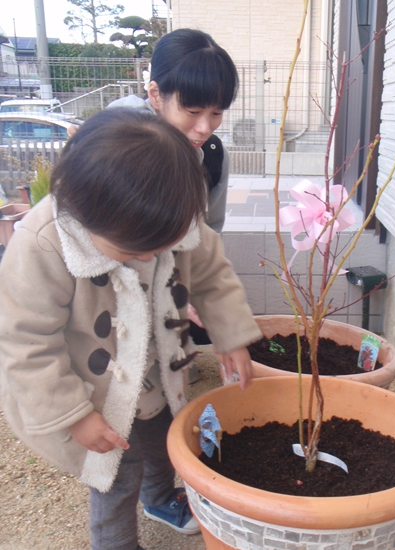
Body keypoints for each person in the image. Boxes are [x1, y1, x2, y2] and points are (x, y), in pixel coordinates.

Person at [0, 108, 262, 550]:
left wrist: (230, 333)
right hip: (95, 393)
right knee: (115, 476)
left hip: (157, 370)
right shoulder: (44, 244)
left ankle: (159, 498)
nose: (148, 260)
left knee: (164, 440)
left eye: (162, 249)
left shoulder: (167, 212)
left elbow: (212, 272)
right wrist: (75, 415)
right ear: (85, 216)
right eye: (131, 251)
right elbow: (25, 342)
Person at [107, 28, 239, 348]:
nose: (205, 127)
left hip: (169, 300)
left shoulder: (212, 157)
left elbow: (207, 235)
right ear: (155, 95)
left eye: (217, 113)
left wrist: (192, 289)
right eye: (192, 112)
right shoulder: (112, 146)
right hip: (109, 306)